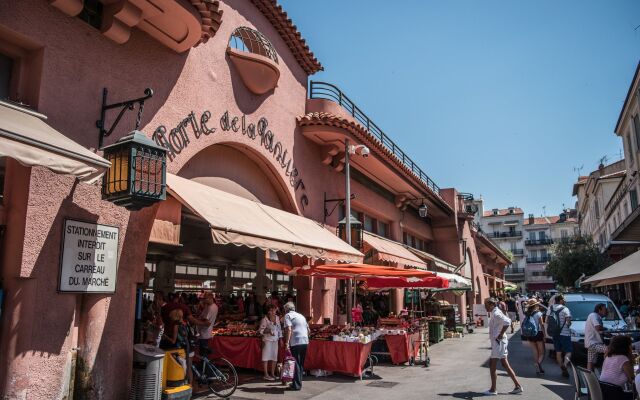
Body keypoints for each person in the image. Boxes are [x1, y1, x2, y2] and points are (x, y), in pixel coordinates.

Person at [483, 298, 523, 396]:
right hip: (499, 342)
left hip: (499, 342)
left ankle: (493, 389)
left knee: (492, 366)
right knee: (505, 364)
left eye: (486, 305)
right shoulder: (495, 312)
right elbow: (507, 321)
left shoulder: (496, 313)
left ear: (491, 304)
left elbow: (507, 322)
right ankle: (517, 386)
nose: (485, 307)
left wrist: (501, 334)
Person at [283, 302, 309, 391]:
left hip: (296, 341)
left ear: (286, 309)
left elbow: (289, 329)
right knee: (300, 363)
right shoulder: (301, 316)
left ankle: (296, 385)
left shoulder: (288, 316)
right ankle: (298, 382)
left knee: (296, 363)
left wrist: (286, 343)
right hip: (304, 340)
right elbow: (308, 329)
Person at [546, 294, 572, 377]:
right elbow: (568, 322)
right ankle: (565, 364)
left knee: (558, 352)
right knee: (568, 351)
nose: (565, 301)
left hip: (555, 334)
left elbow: (546, 321)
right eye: (564, 299)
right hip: (565, 333)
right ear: (560, 300)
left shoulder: (550, 308)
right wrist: (569, 324)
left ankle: (561, 368)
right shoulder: (565, 309)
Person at [521, 298, 545, 374]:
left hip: (530, 334)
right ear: (535, 305)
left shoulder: (527, 313)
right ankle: (537, 363)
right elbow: (542, 325)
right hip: (538, 333)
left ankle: (538, 367)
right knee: (542, 352)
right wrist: (544, 335)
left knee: (535, 350)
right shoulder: (539, 313)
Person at [259, 305, 282, 381]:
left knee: (274, 357)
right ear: (268, 311)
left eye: (274, 310)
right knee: (266, 357)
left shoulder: (277, 318)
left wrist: (280, 339)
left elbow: (279, 329)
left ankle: (272, 373)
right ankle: (266, 374)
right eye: (271, 310)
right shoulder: (264, 319)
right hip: (267, 340)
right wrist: (268, 331)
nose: (273, 312)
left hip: (275, 340)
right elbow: (260, 331)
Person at [585, 303, 608, 371]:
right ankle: (606, 368)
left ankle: (589, 376)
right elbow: (597, 327)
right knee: (608, 350)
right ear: (599, 310)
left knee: (590, 361)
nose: (606, 310)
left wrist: (606, 333)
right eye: (604, 309)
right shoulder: (594, 316)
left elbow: (597, 331)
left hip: (590, 342)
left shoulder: (595, 316)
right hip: (594, 343)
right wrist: (605, 329)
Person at [196, 292, 218, 358]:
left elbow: (207, 323)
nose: (204, 300)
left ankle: (204, 367)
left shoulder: (210, 308)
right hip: (204, 333)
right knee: (203, 354)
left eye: (205, 298)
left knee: (203, 354)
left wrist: (195, 322)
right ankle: (204, 367)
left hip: (204, 334)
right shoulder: (211, 306)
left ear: (210, 298)